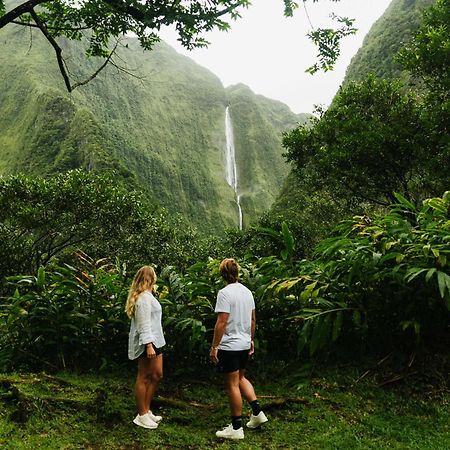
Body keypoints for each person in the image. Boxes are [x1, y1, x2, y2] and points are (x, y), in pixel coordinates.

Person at [210, 258, 268, 440]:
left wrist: (214, 347)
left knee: (232, 383)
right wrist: (251, 340)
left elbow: (221, 322)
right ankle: (257, 413)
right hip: (243, 342)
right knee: (241, 378)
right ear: (237, 272)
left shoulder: (224, 293)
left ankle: (236, 427)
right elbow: (253, 320)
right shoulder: (247, 292)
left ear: (222, 274)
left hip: (230, 345)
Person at [126, 265, 165, 429]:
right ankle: (141, 414)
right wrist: (148, 345)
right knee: (144, 376)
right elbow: (143, 324)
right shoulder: (143, 299)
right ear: (151, 279)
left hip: (157, 340)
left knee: (157, 374)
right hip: (147, 342)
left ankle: (147, 410)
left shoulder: (149, 296)